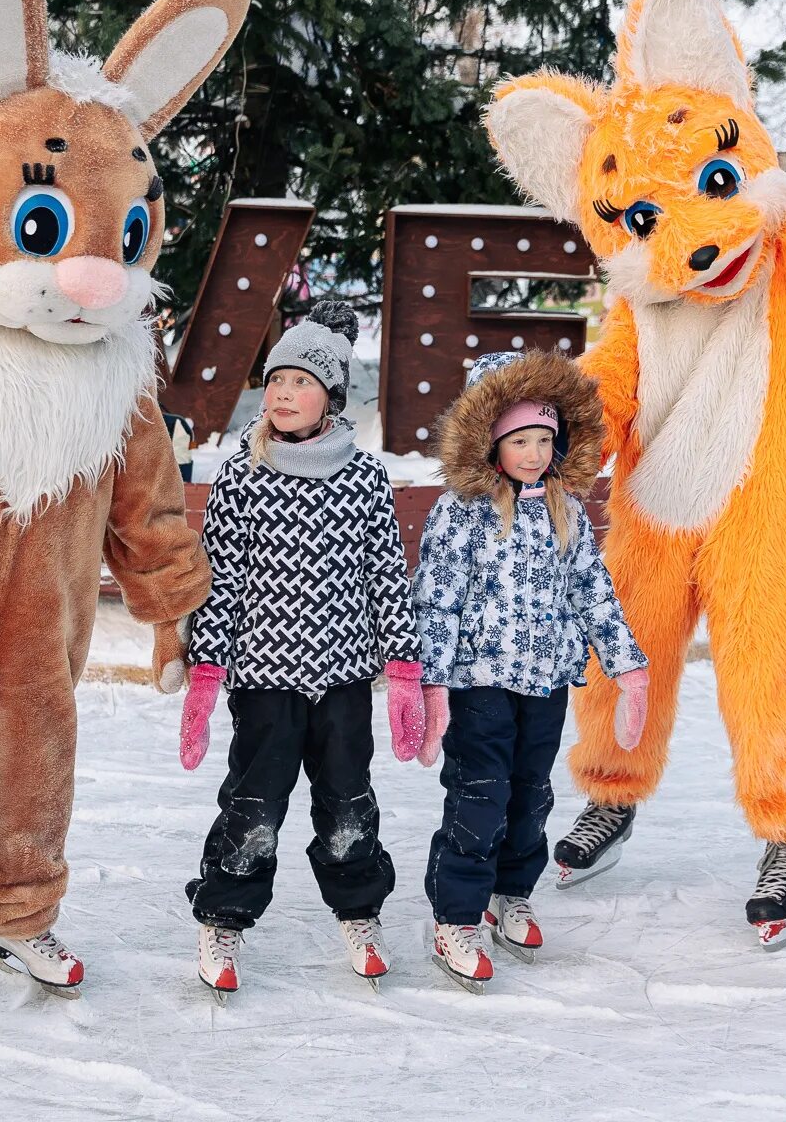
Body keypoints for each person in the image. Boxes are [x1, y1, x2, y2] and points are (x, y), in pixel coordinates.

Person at [177, 299, 428, 999]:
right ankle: (225, 915)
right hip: (263, 680)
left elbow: (385, 573)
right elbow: (221, 579)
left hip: (344, 679)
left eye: (301, 383)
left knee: (349, 804)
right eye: (277, 381)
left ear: (331, 397)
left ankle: (360, 910)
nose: (283, 395)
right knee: (254, 806)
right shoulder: (242, 474)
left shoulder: (364, 477)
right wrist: (206, 673)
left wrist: (404, 668)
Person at [413, 350, 648, 990]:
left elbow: (592, 590)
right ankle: (456, 915)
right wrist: (430, 686)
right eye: (521, 440)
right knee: (479, 798)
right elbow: (436, 600)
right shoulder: (460, 512)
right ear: (489, 441)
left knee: (530, 797)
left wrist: (628, 667)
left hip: (545, 682)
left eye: (545, 439)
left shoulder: (563, 508)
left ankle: (510, 891)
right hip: (479, 683)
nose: (536, 453)